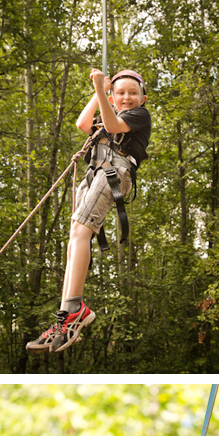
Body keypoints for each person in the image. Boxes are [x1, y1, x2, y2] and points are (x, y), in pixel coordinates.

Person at [25, 68, 151, 353]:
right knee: (74, 238)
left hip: (115, 173)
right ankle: (66, 314)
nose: (127, 97)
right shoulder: (108, 111)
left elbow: (113, 124)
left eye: (133, 93)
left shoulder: (139, 116)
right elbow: (84, 124)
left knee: (81, 232)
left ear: (142, 98)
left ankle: (74, 308)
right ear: (112, 96)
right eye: (120, 93)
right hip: (95, 176)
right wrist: (98, 92)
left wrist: (100, 88)